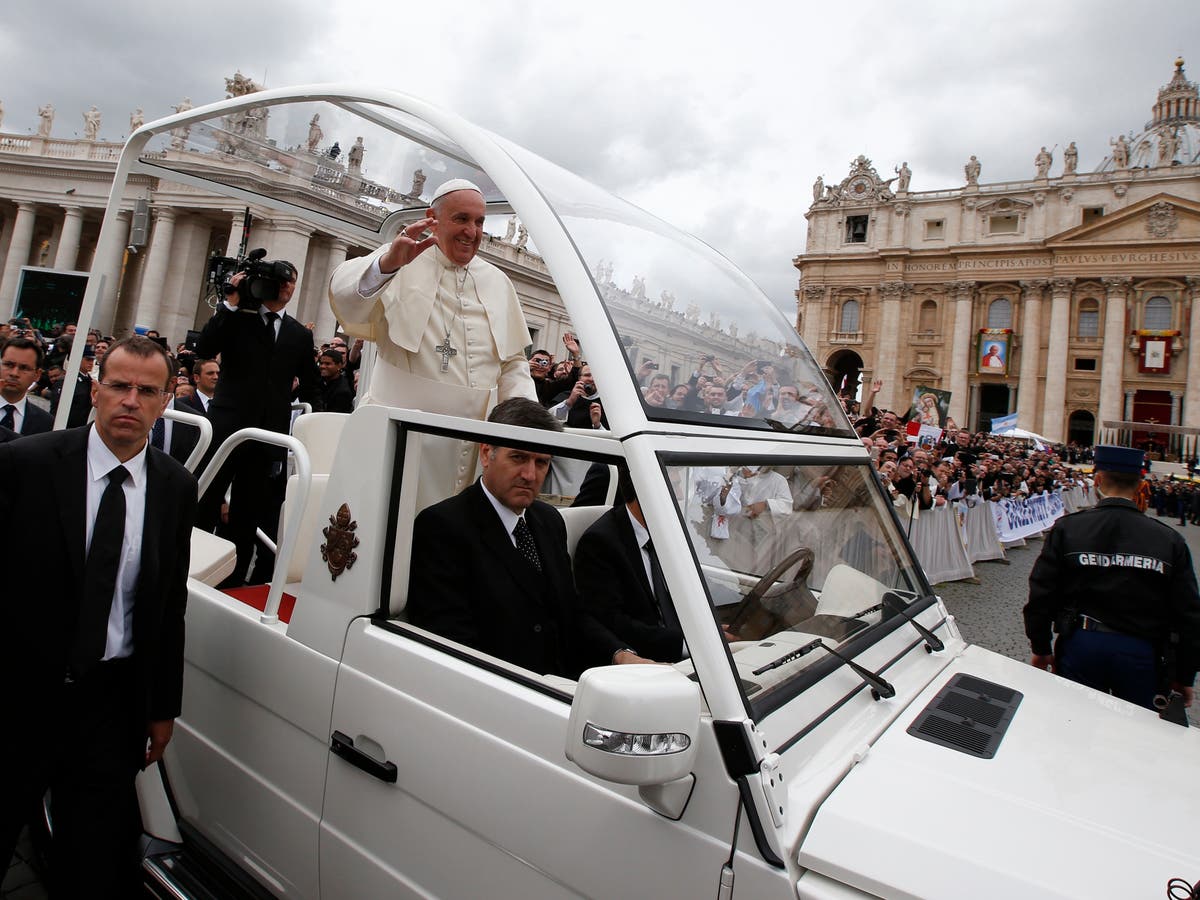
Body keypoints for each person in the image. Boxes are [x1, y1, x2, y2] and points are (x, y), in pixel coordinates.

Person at [0, 336, 197, 898]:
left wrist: (163, 708)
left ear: (164, 402)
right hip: (17, 695)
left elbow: (167, 607)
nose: (130, 400)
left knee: (89, 864)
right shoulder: (25, 465)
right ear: (95, 390)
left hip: (109, 706)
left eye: (147, 390)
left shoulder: (175, 487)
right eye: (119, 386)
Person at [407, 399, 650, 676]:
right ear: (486, 454)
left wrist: (620, 655)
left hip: (566, 685)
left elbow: (571, 611)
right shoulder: (443, 528)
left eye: (542, 462)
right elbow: (452, 643)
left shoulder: (549, 521)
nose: (530, 475)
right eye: (518, 457)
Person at [328, 178, 536, 420]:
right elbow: (344, 297)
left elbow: (512, 364)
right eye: (461, 219)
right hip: (396, 426)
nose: (472, 232)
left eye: (479, 222)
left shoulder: (498, 281)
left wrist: (527, 424)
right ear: (432, 218)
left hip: (474, 440)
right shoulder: (398, 258)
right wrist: (387, 265)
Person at [1024, 445, 1200, 711]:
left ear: (1097, 480)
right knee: (1136, 735)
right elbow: (1188, 613)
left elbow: (1042, 592)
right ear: (1141, 485)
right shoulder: (1169, 539)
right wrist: (1185, 675)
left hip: (1082, 644)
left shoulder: (1069, 528)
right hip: (1141, 650)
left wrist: (1040, 645)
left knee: (1071, 722)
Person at [196, 257, 322, 586]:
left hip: (268, 435)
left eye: (291, 280)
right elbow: (205, 347)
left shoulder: (297, 333)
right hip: (226, 428)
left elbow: (310, 383)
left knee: (248, 512)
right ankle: (189, 563)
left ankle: (231, 580)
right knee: (206, 500)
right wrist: (231, 301)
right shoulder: (237, 319)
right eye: (279, 279)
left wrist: (318, 426)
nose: (286, 286)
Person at [574, 470, 688, 663]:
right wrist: (685, 645)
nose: (680, 495)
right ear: (645, 489)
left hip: (681, 646)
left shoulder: (667, 532)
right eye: (674, 486)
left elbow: (691, 583)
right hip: (644, 661)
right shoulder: (601, 542)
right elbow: (612, 621)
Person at [0, 336, 52, 436]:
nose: (14, 373)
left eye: (24, 368)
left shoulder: (46, 424)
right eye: (9, 365)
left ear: (37, 375)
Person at [317, 348, 355, 413]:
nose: (322, 366)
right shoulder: (319, 382)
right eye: (321, 363)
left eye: (327, 364)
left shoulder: (342, 391)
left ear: (339, 366)